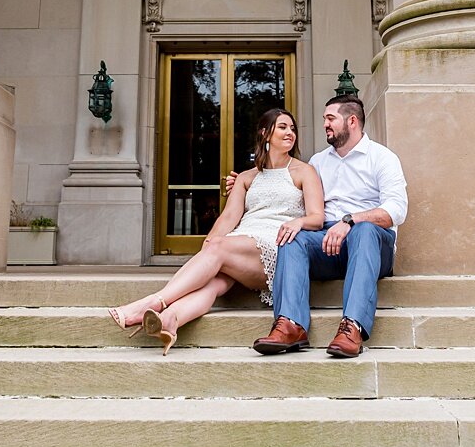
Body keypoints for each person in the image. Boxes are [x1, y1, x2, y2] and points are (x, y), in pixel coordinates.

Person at [108, 109, 325, 354]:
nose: (290, 133)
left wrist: (298, 223)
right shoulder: (246, 177)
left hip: (277, 247)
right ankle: (171, 320)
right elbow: (229, 218)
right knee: (213, 283)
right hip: (241, 245)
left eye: (292, 128)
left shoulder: (304, 171)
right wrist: (207, 250)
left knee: (218, 249)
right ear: (265, 133)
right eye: (283, 127)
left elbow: (317, 218)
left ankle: (154, 302)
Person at [252, 95, 407, 358]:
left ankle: (352, 327)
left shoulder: (382, 157)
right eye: (325, 119)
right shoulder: (319, 162)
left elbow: (396, 210)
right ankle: (290, 324)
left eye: (330, 119)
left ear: (352, 121)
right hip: (328, 242)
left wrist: (350, 221)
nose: (325, 124)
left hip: (371, 243)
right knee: (294, 237)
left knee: (365, 230)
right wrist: (245, 188)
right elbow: (294, 199)